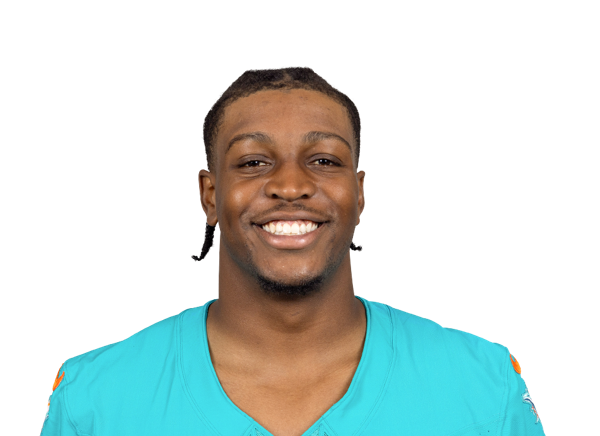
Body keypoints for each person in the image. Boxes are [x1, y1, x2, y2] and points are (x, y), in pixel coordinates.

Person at [40, 66, 544, 436]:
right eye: (253, 161)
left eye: (323, 159)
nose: (290, 185)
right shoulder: (93, 398)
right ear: (210, 196)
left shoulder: (485, 386)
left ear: (359, 194)